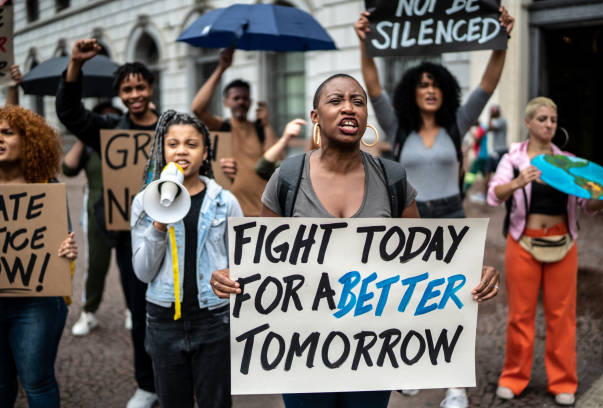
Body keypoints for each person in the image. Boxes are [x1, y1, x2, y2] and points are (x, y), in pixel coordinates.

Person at [210, 73, 501, 408]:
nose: (349, 108)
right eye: (336, 101)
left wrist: (470, 271)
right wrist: (232, 275)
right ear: (315, 116)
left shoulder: (392, 180)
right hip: (302, 352)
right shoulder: (287, 178)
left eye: (358, 101)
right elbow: (262, 265)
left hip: (371, 353)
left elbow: (427, 261)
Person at [354, 7, 514, 407]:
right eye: (422, 84)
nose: (428, 89)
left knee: (455, 302)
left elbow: (489, 83)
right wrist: (365, 42)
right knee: (408, 297)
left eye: (435, 84)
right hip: (408, 219)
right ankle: (411, 367)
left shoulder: (457, 122)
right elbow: (373, 86)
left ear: (444, 90)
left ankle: (455, 386)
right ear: (412, 90)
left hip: (451, 217)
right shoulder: (397, 126)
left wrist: (502, 39)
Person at [487, 97, 603, 406]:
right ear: (528, 123)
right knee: (520, 315)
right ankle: (514, 378)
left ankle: (563, 382)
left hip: (563, 244)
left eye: (553, 120)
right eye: (542, 119)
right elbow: (493, 193)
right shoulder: (514, 158)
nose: (548, 125)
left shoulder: (568, 161)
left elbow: (588, 204)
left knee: (563, 316)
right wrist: (518, 181)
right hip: (523, 243)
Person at [56, 38, 158, 408]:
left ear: (151, 88)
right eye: (127, 89)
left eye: (140, 87)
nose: (134, 94)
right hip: (129, 238)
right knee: (139, 308)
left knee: (175, 312)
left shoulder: (171, 127)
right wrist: (74, 66)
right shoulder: (109, 128)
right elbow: (69, 113)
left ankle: (177, 378)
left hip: (174, 237)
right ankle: (147, 385)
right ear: (119, 94)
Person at [131, 110, 242, 408]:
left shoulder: (225, 201)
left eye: (192, 144)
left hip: (214, 319)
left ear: (206, 152)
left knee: (216, 402)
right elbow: (143, 272)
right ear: (162, 150)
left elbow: (241, 263)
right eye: (174, 144)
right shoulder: (144, 202)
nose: (182, 151)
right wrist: (158, 224)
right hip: (164, 320)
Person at [0, 104, 78, 408]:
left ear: (28, 140)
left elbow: (63, 243)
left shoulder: (47, 188)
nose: (0, 139)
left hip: (37, 303)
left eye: (7, 133)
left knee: (37, 380)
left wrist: (68, 251)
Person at [62, 102, 133, 336]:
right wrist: (85, 135)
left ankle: (133, 308)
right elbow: (68, 168)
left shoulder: (129, 144)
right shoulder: (91, 146)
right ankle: (89, 311)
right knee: (96, 263)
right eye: (102, 119)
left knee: (131, 264)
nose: (107, 124)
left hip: (128, 209)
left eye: (112, 119)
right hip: (97, 211)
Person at [191, 47, 277, 216]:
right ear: (226, 102)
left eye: (245, 98)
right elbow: (197, 108)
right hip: (230, 212)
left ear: (250, 101)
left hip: (261, 211)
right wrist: (221, 68)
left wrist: (266, 124)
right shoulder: (222, 127)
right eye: (236, 98)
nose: (241, 102)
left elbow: (275, 160)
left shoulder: (260, 128)